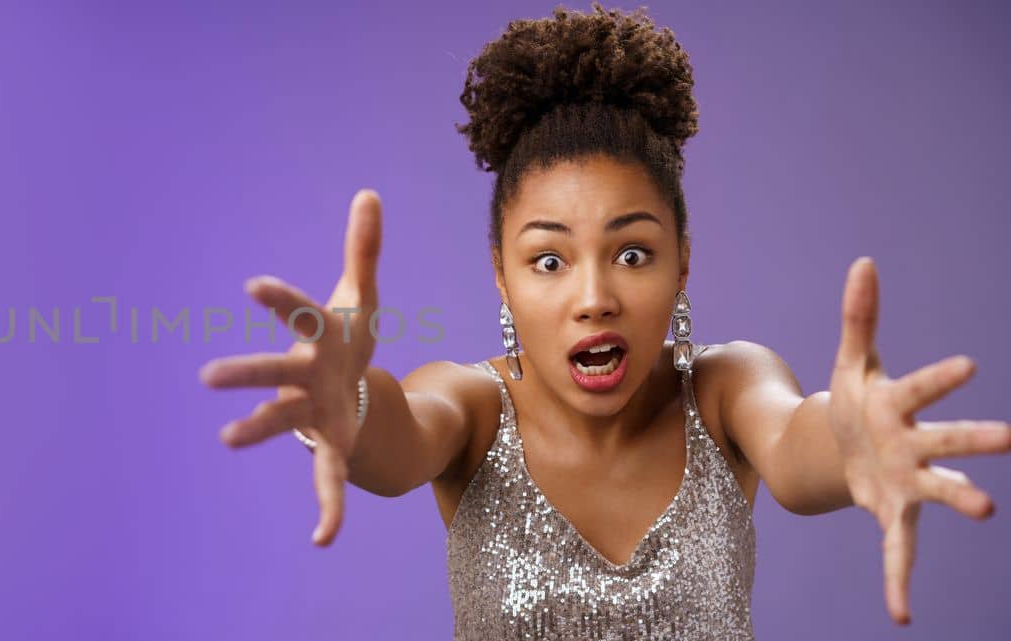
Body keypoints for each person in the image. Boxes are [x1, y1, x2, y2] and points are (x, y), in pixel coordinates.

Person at [197, 4, 1011, 639]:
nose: (595, 296)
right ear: (503, 278)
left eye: (632, 253)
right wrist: (345, 404)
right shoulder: (475, 410)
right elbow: (399, 436)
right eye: (549, 261)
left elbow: (798, 452)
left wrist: (853, 436)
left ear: (682, 263)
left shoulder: (727, 389)